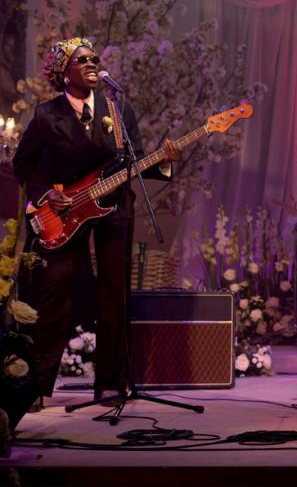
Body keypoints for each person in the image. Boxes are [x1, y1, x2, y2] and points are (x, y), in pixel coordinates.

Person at [12, 37, 180, 422]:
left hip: (115, 207)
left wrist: (166, 160)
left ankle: (110, 381)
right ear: (63, 71)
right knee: (55, 293)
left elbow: (136, 161)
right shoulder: (45, 115)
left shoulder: (118, 109)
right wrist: (46, 195)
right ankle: (37, 384)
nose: (92, 64)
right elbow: (25, 165)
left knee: (113, 294)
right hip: (65, 211)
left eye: (95, 58)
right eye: (82, 59)